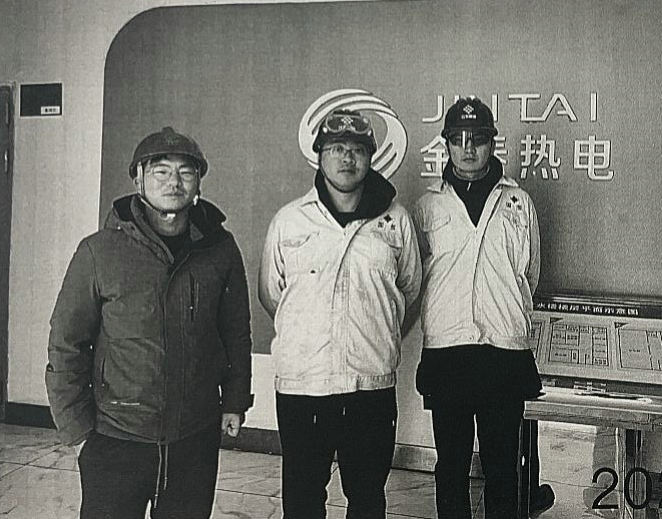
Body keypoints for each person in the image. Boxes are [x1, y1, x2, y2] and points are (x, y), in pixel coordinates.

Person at [46, 126, 253, 519]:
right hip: (115, 437)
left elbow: (236, 333)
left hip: (193, 437)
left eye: (185, 172)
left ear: (198, 183)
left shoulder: (220, 249)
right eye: (161, 171)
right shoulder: (99, 252)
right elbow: (66, 342)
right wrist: (77, 431)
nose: (173, 182)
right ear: (138, 179)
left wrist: (235, 401)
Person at [259, 109, 421, 519]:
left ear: (371, 157)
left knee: (367, 500)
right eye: (336, 148)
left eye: (357, 149)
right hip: (303, 386)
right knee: (302, 501)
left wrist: (374, 334)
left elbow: (409, 292)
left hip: (369, 386)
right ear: (318, 155)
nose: (346, 158)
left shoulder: (396, 221)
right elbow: (272, 294)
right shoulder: (290, 220)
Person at [413, 97, 552, 519]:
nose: (468, 148)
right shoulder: (428, 206)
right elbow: (415, 277)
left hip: (503, 355)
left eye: (477, 138)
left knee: (502, 468)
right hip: (448, 354)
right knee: (451, 466)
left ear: (492, 143)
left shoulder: (518, 202)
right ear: (447, 145)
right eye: (458, 139)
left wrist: (502, 311)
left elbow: (529, 274)